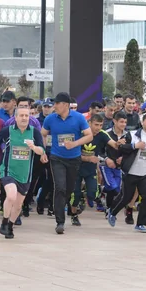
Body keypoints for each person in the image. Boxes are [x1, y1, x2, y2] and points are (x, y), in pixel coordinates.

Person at [0, 105, 45, 239]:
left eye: (26, 116)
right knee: (11, 196)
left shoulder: (34, 132)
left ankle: (10, 226)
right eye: (21, 115)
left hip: (25, 174)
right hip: (8, 170)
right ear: (15, 117)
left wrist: (33, 147)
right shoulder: (7, 131)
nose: (24, 118)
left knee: (18, 205)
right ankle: (4, 222)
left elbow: (41, 151)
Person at [41, 92, 93, 235]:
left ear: (65, 105)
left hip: (74, 158)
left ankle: (63, 207)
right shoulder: (50, 119)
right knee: (60, 187)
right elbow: (42, 134)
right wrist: (43, 151)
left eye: (57, 103)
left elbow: (89, 135)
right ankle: (60, 222)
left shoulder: (78, 118)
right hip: (56, 158)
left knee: (69, 189)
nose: (54, 106)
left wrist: (75, 143)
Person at [106, 113, 146, 232]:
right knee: (126, 197)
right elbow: (121, 147)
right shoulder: (131, 135)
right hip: (130, 172)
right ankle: (112, 212)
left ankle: (141, 224)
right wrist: (134, 146)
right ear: (142, 122)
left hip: (145, 173)